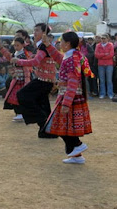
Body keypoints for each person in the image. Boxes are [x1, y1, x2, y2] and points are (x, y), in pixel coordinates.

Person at [42, 32, 92, 164]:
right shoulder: (72, 57)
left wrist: (66, 103)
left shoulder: (72, 59)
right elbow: (58, 57)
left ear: (68, 43)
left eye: (61, 41)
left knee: (59, 124)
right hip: (69, 96)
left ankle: (77, 144)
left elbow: (73, 82)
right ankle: (77, 155)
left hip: (69, 97)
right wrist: (47, 44)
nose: (60, 43)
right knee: (68, 126)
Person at [11, 23, 58, 138]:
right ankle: (47, 131)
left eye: (37, 30)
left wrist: (18, 61)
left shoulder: (43, 46)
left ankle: (42, 120)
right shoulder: (42, 46)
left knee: (22, 94)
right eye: (34, 30)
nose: (34, 32)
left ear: (44, 33)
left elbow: (36, 62)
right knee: (43, 104)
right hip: (45, 79)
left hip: (43, 80)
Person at [0, 37, 32, 121]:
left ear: (23, 45)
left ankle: (21, 113)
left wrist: (27, 81)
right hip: (16, 78)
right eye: (15, 45)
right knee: (13, 96)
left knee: (18, 96)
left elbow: (26, 69)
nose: (16, 47)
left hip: (22, 79)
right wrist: (1, 48)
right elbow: (9, 57)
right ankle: (19, 113)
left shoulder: (24, 55)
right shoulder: (16, 54)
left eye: (18, 45)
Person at [95, 34, 114, 99]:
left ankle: (110, 93)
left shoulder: (111, 45)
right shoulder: (98, 45)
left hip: (109, 64)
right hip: (101, 65)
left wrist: (101, 56)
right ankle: (102, 93)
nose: (103, 40)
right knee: (102, 80)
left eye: (104, 38)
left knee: (109, 80)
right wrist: (105, 54)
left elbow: (111, 55)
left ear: (107, 39)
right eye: (102, 38)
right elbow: (96, 55)